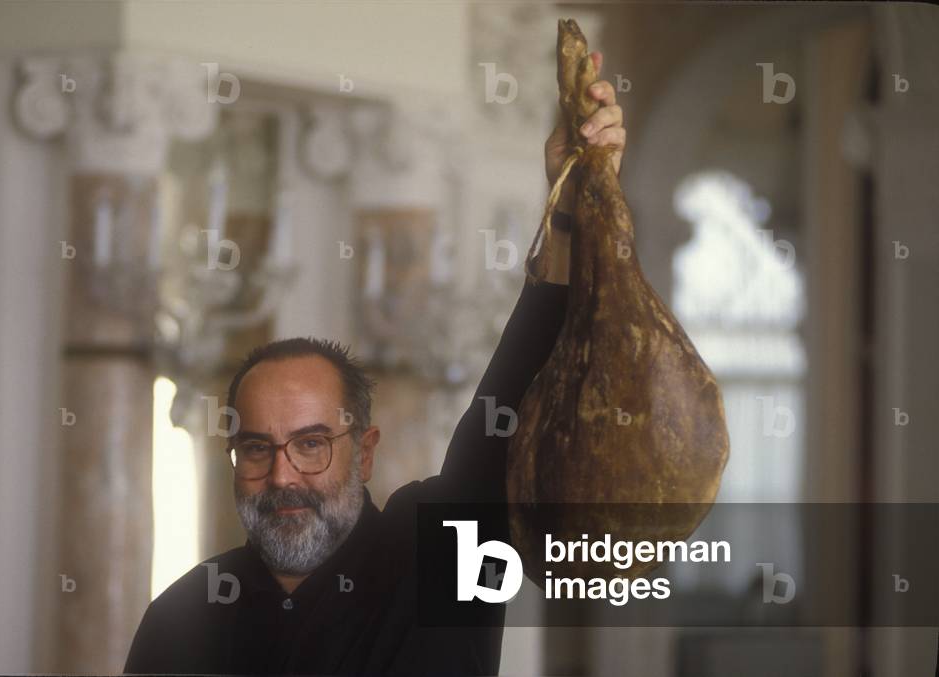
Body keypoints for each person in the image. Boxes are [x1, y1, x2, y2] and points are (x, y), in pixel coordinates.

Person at [124, 51, 625, 676]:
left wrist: (573, 207)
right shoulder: (182, 616)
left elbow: (511, 403)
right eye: (257, 448)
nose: (282, 476)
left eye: (311, 444)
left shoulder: (442, 559)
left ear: (364, 451)